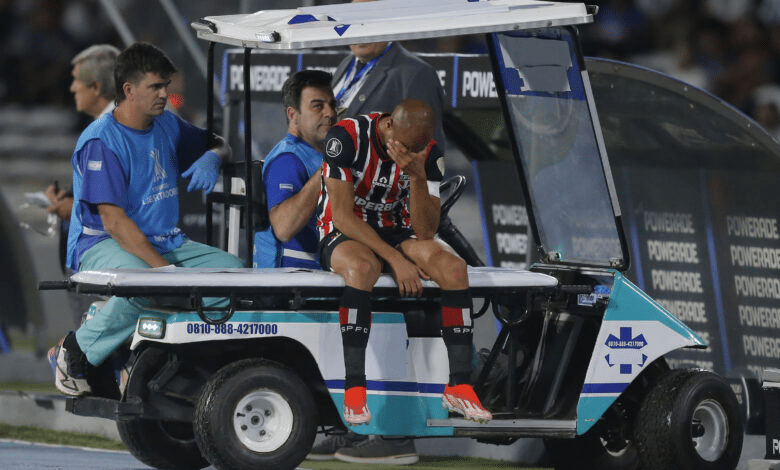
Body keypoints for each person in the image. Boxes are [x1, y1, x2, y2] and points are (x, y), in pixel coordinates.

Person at [48, 42, 244, 398]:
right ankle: (73, 349)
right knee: (149, 285)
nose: (165, 94)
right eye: (156, 86)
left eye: (166, 86)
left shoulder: (167, 123)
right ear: (128, 90)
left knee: (234, 276)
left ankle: (142, 347)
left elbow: (221, 143)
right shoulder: (101, 140)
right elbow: (114, 223)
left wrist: (214, 156)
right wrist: (164, 273)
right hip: (100, 244)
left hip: (165, 240)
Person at [317, 99, 491, 425]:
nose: (412, 153)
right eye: (407, 147)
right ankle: (355, 389)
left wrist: (417, 176)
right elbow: (340, 215)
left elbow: (426, 229)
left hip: (396, 230)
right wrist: (396, 259)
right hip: (345, 229)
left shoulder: (428, 153)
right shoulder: (347, 137)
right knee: (362, 268)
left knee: (454, 269)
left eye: (419, 148)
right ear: (389, 126)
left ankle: (460, 386)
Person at [43, 44, 120, 327]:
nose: (72, 87)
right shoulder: (101, 129)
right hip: (90, 258)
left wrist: (72, 207)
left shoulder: (113, 131)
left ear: (96, 86)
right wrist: (70, 198)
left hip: (103, 261)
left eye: (77, 80)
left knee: (97, 342)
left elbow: (126, 203)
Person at [331, 0, 446, 148]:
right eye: (353, 23)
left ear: (387, 22)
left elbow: (431, 150)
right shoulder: (346, 64)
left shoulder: (416, 74)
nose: (359, 32)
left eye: (367, 23)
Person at [254, 69, 336, 269]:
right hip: (295, 284)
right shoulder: (287, 159)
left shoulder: (320, 154)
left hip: (323, 273)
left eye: (332, 105)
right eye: (318, 106)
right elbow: (283, 228)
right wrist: (326, 170)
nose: (330, 113)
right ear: (293, 115)